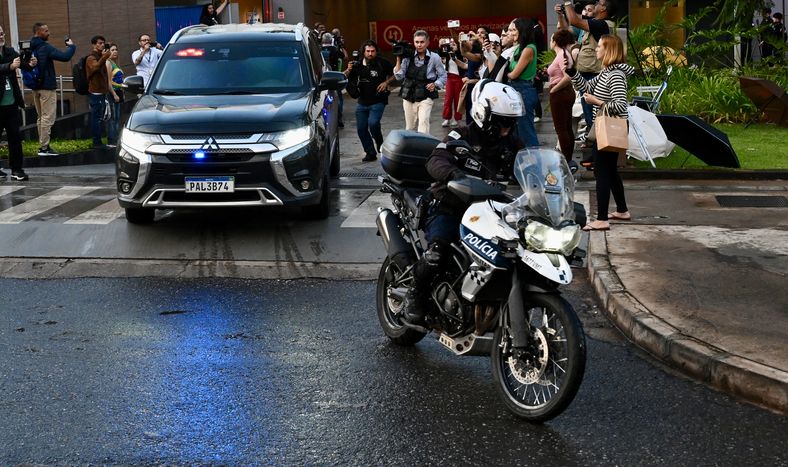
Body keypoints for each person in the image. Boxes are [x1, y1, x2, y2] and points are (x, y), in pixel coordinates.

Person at [402, 80, 524, 325]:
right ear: (484, 115)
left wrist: (549, 180)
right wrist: (454, 175)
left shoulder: (512, 143)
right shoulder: (461, 136)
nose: (506, 129)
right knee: (437, 252)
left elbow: (528, 165)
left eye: (511, 123)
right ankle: (414, 294)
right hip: (450, 206)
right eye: (502, 122)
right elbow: (436, 160)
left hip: (490, 210)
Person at [565, 34, 634, 231]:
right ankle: (622, 210)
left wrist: (597, 102)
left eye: (600, 46)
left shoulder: (616, 75)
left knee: (602, 171)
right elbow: (587, 87)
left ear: (609, 50)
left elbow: (620, 105)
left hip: (609, 127)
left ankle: (602, 219)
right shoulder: (606, 72)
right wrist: (572, 71)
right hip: (604, 127)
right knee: (610, 170)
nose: (596, 49)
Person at [556, 0, 617, 164]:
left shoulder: (600, 24)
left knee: (594, 117)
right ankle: (597, 154)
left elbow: (574, 20)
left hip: (593, 74)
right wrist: (562, 14)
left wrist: (567, 3)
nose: (596, 3)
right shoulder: (596, 24)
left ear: (604, 8)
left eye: (599, 3)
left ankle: (600, 155)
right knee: (592, 117)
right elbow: (569, 27)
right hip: (589, 76)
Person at [29, 22, 76, 156]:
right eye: (46, 31)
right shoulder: (45, 47)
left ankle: (42, 145)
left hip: (35, 87)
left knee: (41, 117)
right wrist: (71, 47)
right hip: (47, 87)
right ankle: (44, 148)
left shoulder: (29, 46)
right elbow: (65, 57)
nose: (49, 33)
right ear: (38, 32)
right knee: (47, 117)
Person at [344, 40, 395, 162]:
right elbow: (343, 76)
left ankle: (379, 142)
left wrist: (386, 82)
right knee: (361, 128)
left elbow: (396, 74)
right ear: (364, 52)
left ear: (376, 51)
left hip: (378, 100)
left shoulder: (383, 63)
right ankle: (370, 152)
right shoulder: (356, 64)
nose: (370, 54)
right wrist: (348, 69)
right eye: (368, 51)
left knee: (373, 123)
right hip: (362, 102)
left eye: (372, 51)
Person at [394, 30, 447, 135]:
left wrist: (435, 84)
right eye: (417, 42)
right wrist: (398, 59)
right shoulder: (407, 56)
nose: (419, 45)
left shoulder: (434, 57)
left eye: (422, 42)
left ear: (427, 42)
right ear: (414, 42)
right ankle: (411, 144)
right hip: (409, 94)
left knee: (423, 123)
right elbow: (399, 76)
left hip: (426, 94)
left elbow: (443, 76)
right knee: (409, 127)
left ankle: (423, 144)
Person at [0, 27, 36, 181]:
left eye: (2, 33)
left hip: (12, 103)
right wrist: (9, 66)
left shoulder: (9, 52)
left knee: (15, 138)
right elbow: (8, 66)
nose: (1, 36)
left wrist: (30, 63)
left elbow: (21, 63)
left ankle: (17, 169)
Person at [506, 17, 539, 147]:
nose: (511, 33)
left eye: (514, 30)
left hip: (524, 90)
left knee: (526, 132)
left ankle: (535, 157)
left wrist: (504, 73)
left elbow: (514, 74)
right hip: (516, 89)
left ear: (522, 30)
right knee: (517, 131)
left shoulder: (529, 49)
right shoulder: (519, 48)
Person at [547, 29, 578, 171]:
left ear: (554, 41)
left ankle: (566, 160)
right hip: (565, 92)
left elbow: (568, 76)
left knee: (561, 129)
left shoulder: (562, 55)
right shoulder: (563, 54)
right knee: (566, 127)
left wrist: (554, 89)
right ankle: (568, 159)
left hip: (560, 93)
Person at [86, 35, 111, 148]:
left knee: (100, 118)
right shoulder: (91, 58)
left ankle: (99, 141)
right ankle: (97, 142)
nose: (102, 45)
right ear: (94, 45)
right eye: (100, 43)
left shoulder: (100, 56)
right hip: (95, 93)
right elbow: (95, 67)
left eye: (103, 43)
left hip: (102, 92)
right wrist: (104, 57)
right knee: (96, 118)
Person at [440, 38, 465, 128]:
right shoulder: (447, 53)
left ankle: (458, 119)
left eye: (454, 43)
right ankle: (447, 118)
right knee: (448, 99)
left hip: (459, 78)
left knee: (458, 99)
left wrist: (456, 50)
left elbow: (462, 60)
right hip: (450, 78)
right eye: (451, 43)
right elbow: (441, 54)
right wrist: (441, 46)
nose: (452, 45)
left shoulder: (461, 53)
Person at [106, 43, 123, 147]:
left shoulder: (115, 63)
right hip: (111, 93)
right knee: (112, 117)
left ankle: (116, 139)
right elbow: (108, 81)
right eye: (112, 50)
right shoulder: (108, 63)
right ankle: (111, 140)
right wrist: (114, 94)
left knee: (117, 117)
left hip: (119, 92)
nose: (115, 51)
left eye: (116, 49)